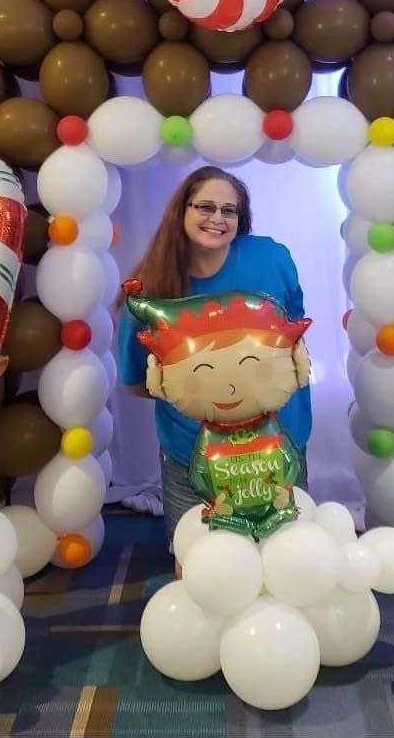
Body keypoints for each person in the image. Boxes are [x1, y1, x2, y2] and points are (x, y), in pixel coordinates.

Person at [116, 166, 311, 553]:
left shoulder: (271, 259)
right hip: (194, 454)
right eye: (205, 206)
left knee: (289, 553)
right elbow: (137, 380)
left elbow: (294, 339)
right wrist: (211, 392)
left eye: (229, 211)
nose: (217, 219)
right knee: (201, 562)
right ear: (181, 210)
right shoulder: (150, 286)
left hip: (279, 442)